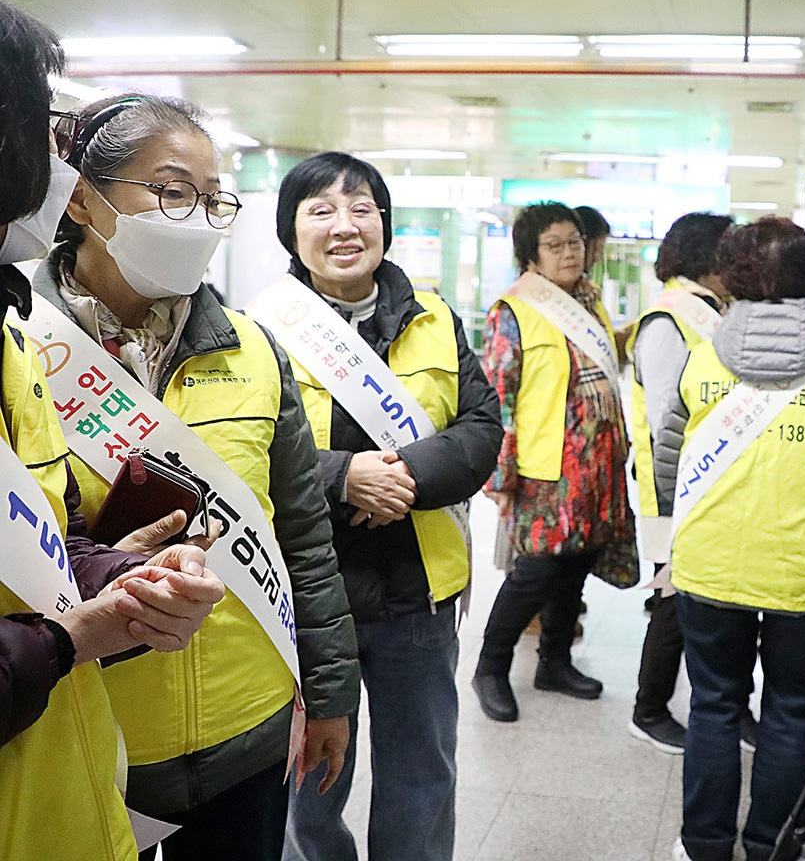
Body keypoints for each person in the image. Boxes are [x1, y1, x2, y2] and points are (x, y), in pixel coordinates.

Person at [39, 92, 361, 861]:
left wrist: (329, 693)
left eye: (213, 199)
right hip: (90, 727)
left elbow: (303, 535)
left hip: (244, 730)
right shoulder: (24, 346)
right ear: (83, 198)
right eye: (173, 192)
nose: (199, 218)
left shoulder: (252, 349)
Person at [0, 0, 224, 861]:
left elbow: (41, 550)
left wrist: (119, 575)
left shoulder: (11, 340)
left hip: (69, 785)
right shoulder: (44, 331)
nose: (57, 154)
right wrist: (74, 636)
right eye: (41, 120)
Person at [264, 151, 502, 861]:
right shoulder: (258, 329)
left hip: (416, 592)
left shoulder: (434, 318)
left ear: (385, 224)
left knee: (422, 774)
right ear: (292, 230)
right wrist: (343, 477)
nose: (345, 226)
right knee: (310, 782)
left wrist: (402, 475)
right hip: (306, 595)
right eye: (322, 210)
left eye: (362, 208)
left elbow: (481, 429)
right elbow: (241, 454)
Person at [654, 217, 805, 861]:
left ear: (731, 278)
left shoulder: (702, 360)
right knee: (791, 712)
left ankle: (704, 844)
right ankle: (773, 844)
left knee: (713, 706)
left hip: (709, 565)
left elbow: (668, 466)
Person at [473, 201, 637, 723]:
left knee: (577, 565)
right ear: (531, 255)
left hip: (599, 461)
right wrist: (499, 473)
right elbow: (498, 394)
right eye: (555, 244)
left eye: (574, 242)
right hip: (547, 465)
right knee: (535, 572)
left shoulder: (590, 300)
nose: (569, 252)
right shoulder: (514, 309)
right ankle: (490, 668)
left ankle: (555, 662)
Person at [626, 211, 742, 755]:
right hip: (677, 486)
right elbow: (666, 415)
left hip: (717, 482)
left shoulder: (713, 311)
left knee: (720, 597)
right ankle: (648, 709)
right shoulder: (667, 319)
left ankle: (732, 708)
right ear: (710, 259)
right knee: (674, 600)